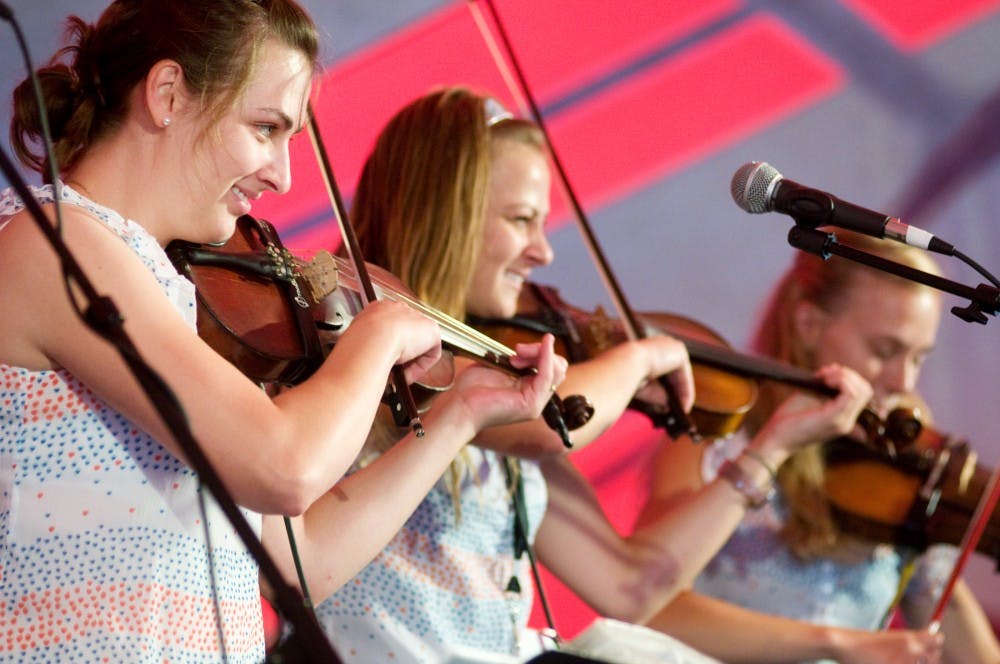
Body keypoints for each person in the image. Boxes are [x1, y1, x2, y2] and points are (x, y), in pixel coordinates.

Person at [0, 3, 566, 662]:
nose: (283, 175)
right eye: (265, 127)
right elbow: (284, 465)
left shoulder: (168, 286)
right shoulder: (52, 245)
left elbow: (304, 562)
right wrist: (376, 334)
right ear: (167, 95)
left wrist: (459, 416)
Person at [303, 86, 894, 663]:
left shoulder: (495, 383)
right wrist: (639, 358)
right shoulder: (370, 345)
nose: (543, 251)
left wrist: (772, 447)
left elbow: (628, 584)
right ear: (441, 214)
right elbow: (544, 421)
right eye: (521, 219)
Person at [639, 230, 1000, 663]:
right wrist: (838, 644)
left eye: (919, 357)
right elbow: (647, 603)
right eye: (885, 350)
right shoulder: (718, 439)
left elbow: (961, 636)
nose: (904, 381)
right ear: (808, 325)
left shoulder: (909, 467)